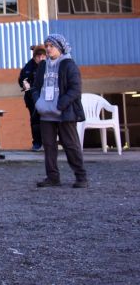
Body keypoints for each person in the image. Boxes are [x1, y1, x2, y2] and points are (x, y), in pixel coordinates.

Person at [31, 34, 88, 188]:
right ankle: (52, 178)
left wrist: (61, 104)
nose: (48, 49)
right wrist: (38, 102)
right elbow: (35, 87)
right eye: (47, 46)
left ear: (60, 47)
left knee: (71, 145)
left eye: (52, 46)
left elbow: (75, 89)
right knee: (49, 146)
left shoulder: (69, 65)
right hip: (45, 114)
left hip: (64, 113)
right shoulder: (43, 65)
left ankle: (81, 178)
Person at [18, 45, 46, 151]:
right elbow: (22, 79)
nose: (40, 58)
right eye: (38, 56)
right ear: (34, 57)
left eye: (43, 56)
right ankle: (37, 143)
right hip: (32, 98)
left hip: (46, 98)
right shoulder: (29, 66)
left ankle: (48, 143)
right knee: (35, 121)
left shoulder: (49, 65)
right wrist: (24, 84)